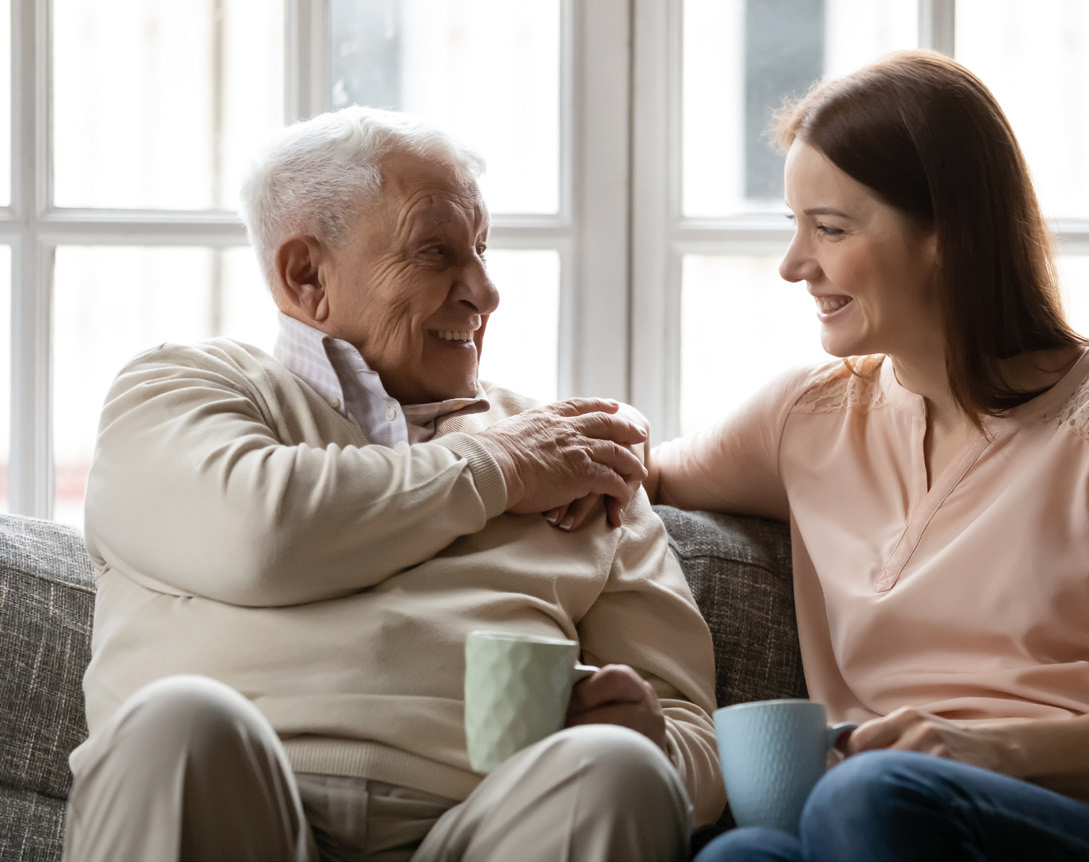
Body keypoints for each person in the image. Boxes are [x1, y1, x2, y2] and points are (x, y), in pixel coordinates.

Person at [63, 106, 722, 862]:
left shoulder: (573, 453)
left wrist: (656, 742)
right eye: (436, 253)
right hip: (231, 809)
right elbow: (263, 538)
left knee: (622, 770)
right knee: (174, 726)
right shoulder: (181, 389)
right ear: (306, 274)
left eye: (482, 250)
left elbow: (696, 741)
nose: (485, 290)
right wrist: (502, 467)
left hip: (495, 826)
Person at [646, 51, 1089, 862]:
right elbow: (634, 461)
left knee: (864, 797)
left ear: (947, 235)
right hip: (877, 823)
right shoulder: (808, 417)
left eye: (829, 229)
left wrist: (979, 751)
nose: (794, 265)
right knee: (739, 857)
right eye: (794, 227)